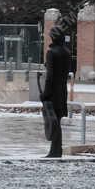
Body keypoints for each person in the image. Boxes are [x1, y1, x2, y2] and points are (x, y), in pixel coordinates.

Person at [41, 27, 71, 158]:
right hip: (62, 90)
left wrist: (45, 93)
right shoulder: (67, 52)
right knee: (57, 120)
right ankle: (56, 149)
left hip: (53, 91)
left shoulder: (51, 52)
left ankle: (55, 151)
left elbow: (50, 76)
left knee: (52, 121)